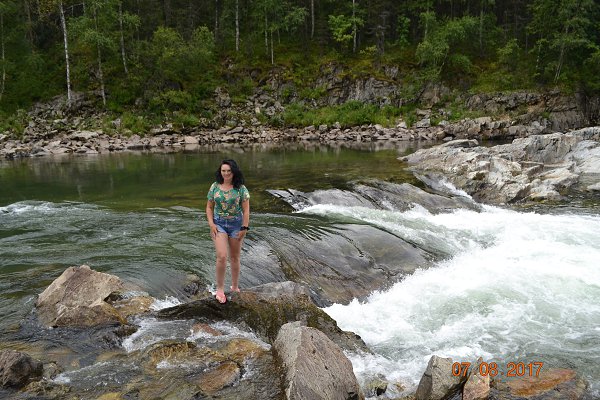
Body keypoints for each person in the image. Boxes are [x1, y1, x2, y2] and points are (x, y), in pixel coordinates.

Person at [206, 159, 250, 304]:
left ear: (234, 172)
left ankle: (235, 287)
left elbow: (246, 210)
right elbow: (209, 207)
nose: (225, 173)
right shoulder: (214, 186)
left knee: (235, 257)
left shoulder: (241, 189)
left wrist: (244, 227)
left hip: (236, 224)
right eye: (223, 171)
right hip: (219, 224)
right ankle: (220, 289)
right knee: (222, 256)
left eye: (228, 171)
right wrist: (211, 224)